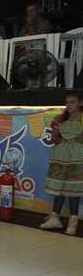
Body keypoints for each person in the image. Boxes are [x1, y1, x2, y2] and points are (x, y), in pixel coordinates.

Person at [40, 92, 83, 235]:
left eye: (73, 102)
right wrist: (63, 146)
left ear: (81, 103)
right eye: (67, 102)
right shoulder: (60, 118)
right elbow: (54, 137)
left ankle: (72, 222)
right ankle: (55, 218)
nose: (69, 105)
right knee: (59, 186)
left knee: (73, 188)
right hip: (61, 155)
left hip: (78, 156)